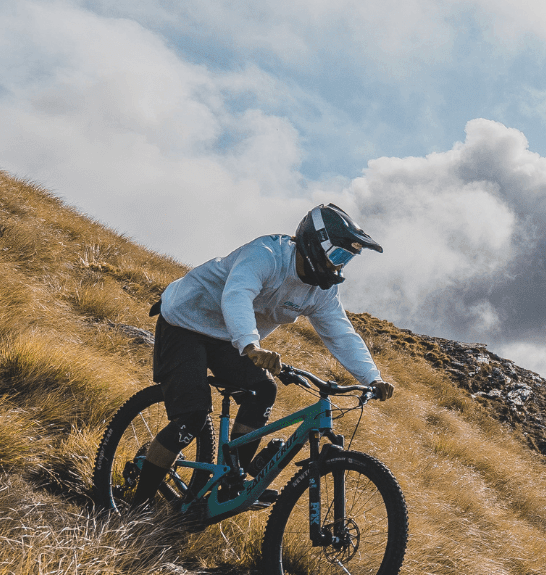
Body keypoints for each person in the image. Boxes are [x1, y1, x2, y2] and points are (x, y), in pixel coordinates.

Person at [135, 203, 395, 499]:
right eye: (337, 255)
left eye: (346, 259)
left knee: (262, 390)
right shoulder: (267, 255)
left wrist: (372, 378)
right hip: (185, 321)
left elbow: (341, 333)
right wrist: (250, 344)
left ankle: (234, 479)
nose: (338, 266)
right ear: (314, 245)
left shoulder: (321, 291)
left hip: (229, 338)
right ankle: (134, 506)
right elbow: (237, 294)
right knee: (191, 417)